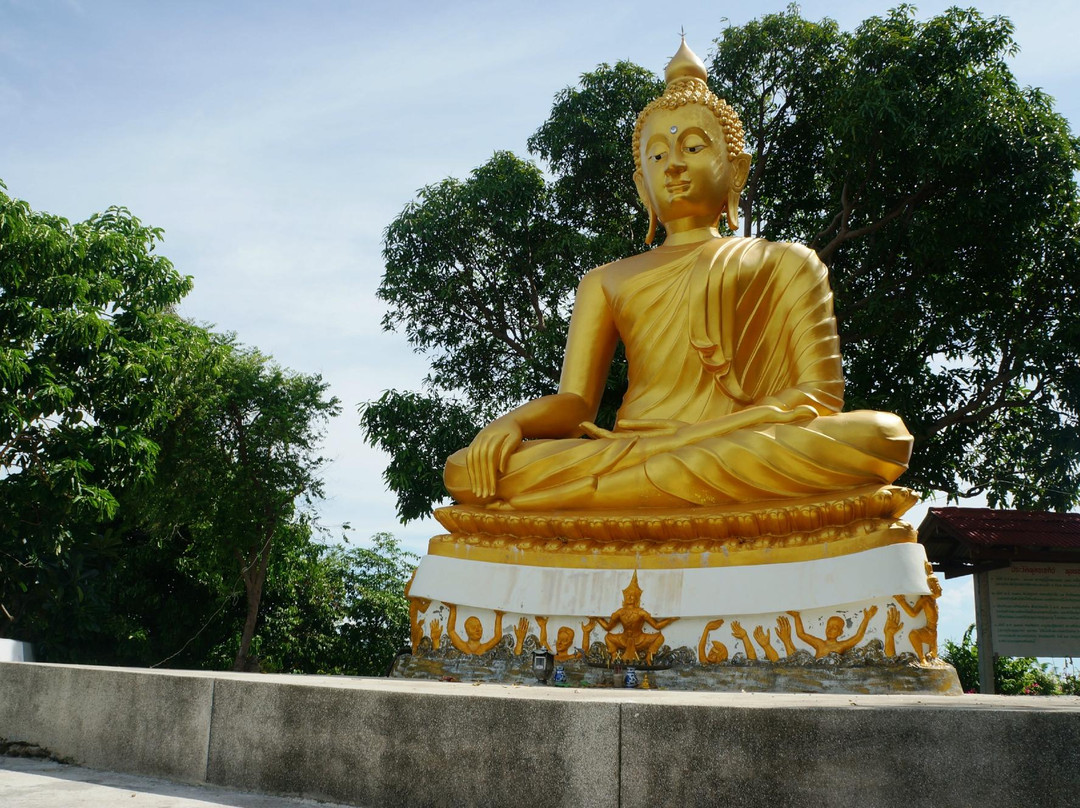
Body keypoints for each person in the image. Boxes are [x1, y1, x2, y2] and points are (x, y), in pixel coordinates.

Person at [444, 39, 912, 512]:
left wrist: (709, 433)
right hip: (634, 448)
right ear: (641, 186)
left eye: (692, 146)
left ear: (737, 171)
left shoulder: (787, 261)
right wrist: (515, 423)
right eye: (657, 156)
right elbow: (576, 405)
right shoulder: (606, 280)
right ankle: (617, 486)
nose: (674, 166)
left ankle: (603, 496)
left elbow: (820, 395)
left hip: (738, 441)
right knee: (468, 470)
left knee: (882, 436)